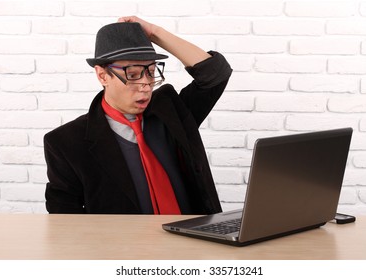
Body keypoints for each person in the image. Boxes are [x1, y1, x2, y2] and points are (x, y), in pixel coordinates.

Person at [44, 16, 232, 214]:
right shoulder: (65, 143)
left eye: (151, 72)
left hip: (193, 240)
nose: (145, 85)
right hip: (124, 244)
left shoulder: (171, 111)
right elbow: (63, 222)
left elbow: (215, 73)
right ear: (102, 75)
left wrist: (155, 33)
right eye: (132, 75)